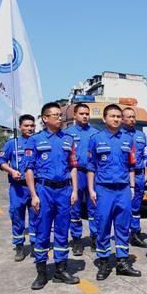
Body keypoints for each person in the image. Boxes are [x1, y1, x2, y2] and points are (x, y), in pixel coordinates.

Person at [24, 102, 79, 290]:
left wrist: (74, 190)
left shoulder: (68, 139)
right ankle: (41, 272)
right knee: (43, 232)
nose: (60, 117)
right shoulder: (35, 140)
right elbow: (29, 169)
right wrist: (33, 195)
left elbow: (72, 166)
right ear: (45, 118)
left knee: (63, 232)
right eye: (55, 115)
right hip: (44, 191)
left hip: (64, 190)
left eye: (60, 114)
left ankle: (60, 269)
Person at [88, 104, 140, 280]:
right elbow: (91, 167)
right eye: (112, 116)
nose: (116, 119)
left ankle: (122, 262)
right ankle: (103, 263)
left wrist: (132, 187)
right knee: (103, 226)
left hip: (123, 189)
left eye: (118, 116)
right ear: (104, 119)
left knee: (123, 227)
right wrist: (91, 190)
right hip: (104, 190)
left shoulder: (128, 139)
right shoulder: (96, 139)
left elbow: (132, 166)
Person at [0, 114, 37, 262]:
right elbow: (0, 162)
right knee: (17, 216)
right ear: (20, 127)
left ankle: (35, 245)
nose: (29, 128)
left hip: (35, 187)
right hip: (18, 188)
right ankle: (19, 246)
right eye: (26, 126)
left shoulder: (38, 142)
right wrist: (12, 171)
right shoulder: (11, 144)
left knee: (36, 217)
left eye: (32, 125)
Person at [64, 103, 99, 256]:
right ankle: (77, 239)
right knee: (75, 207)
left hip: (92, 173)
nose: (85, 116)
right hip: (76, 173)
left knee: (94, 206)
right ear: (75, 115)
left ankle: (95, 237)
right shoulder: (67, 134)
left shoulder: (96, 133)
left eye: (87, 113)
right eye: (82, 113)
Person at [121, 106, 147, 249]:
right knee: (123, 207)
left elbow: (145, 156)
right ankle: (123, 234)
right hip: (123, 177)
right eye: (129, 117)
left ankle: (135, 233)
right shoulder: (118, 135)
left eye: (133, 117)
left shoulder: (141, 135)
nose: (132, 119)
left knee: (136, 207)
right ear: (122, 118)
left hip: (138, 175)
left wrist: (144, 174)